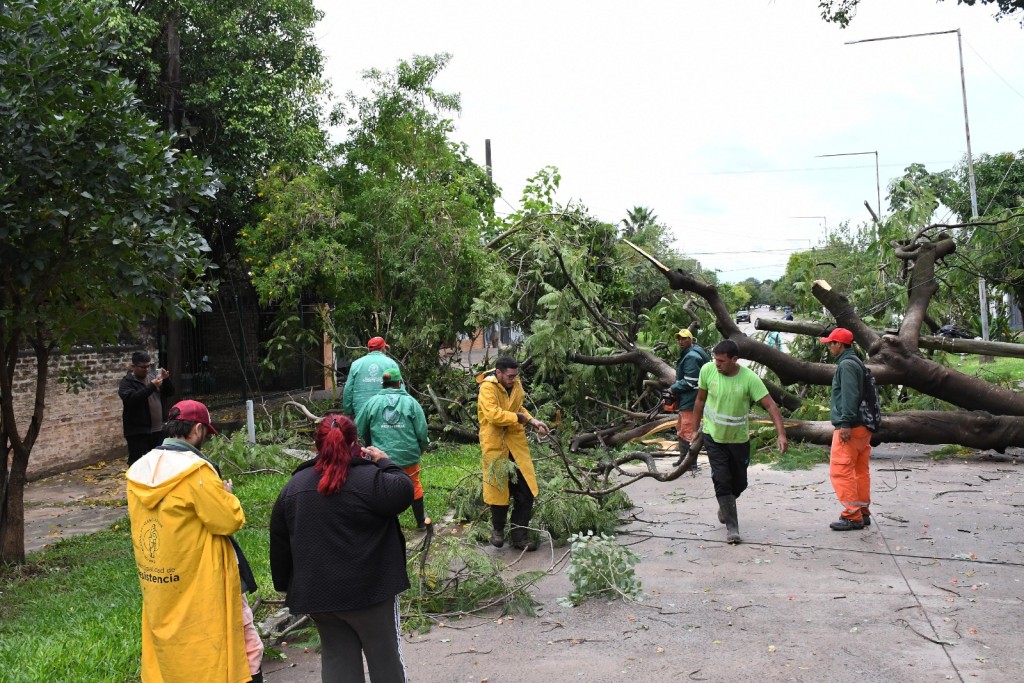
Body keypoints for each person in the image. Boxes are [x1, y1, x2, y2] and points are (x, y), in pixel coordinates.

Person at [127, 400, 263, 683]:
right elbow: (228, 520)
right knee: (236, 647)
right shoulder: (197, 472)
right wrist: (226, 494)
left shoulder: (138, 470)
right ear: (198, 429)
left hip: (160, 581)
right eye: (207, 435)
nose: (207, 441)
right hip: (202, 580)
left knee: (172, 648)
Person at [270, 413, 413, 683]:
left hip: (320, 596)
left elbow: (279, 541)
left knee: (338, 662)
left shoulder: (294, 487)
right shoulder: (371, 480)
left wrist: (285, 585)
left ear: (316, 446)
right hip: (371, 593)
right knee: (386, 663)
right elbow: (404, 490)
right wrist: (385, 461)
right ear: (355, 443)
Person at [692, 339, 788, 544]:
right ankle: (732, 527)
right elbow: (700, 400)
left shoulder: (749, 379)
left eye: (722, 361)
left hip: (738, 440)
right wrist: (693, 429)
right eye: (715, 359)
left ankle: (725, 505)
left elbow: (770, 406)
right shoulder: (708, 371)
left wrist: (781, 434)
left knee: (740, 483)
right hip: (713, 437)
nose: (717, 364)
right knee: (722, 480)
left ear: (735, 360)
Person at [476, 357, 549, 551]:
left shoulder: (516, 385)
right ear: (498, 373)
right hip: (496, 445)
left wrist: (533, 421)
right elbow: (494, 415)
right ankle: (498, 530)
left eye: (516, 376)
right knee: (499, 491)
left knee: (526, 492)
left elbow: (519, 407)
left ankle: (520, 536)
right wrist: (519, 418)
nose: (513, 379)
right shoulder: (487, 388)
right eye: (510, 376)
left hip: (516, 446)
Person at [356, 369, 431, 531]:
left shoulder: (372, 403)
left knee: (383, 488)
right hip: (408, 457)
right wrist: (420, 449)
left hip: (381, 460)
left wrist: (368, 447)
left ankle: (387, 526)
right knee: (414, 485)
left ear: (383, 384)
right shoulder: (411, 403)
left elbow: (359, 428)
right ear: (399, 383)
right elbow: (422, 432)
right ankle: (421, 522)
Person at [821, 328, 872, 531]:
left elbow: (850, 396)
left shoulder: (847, 365)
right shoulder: (856, 362)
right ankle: (863, 512)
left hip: (851, 426)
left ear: (839, 345)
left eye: (830, 343)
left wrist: (845, 423)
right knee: (859, 471)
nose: (829, 347)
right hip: (862, 426)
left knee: (841, 470)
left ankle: (852, 515)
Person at [119, 350, 173, 466]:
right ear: (133, 366)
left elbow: (170, 392)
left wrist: (166, 379)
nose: (147, 370)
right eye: (143, 367)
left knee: (159, 463)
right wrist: (152, 386)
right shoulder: (127, 382)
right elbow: (133, 399)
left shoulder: (154, 377)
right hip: (138, 432)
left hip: (158, 430)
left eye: (149, 366)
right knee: (138, 463)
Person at [669, 328, 711, 467]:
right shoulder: (694, 352)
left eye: (684, 338)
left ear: (691, 339)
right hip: (689, 398)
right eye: (679, 339)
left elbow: (690, 381)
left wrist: (673, 387)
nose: (681, 341)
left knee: (687, 429)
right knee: (681, 427)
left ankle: (690, 462)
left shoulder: (691, 357)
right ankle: (683, 459)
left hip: (691, 399)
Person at [343, 336, 400, 420]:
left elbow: (348, 390)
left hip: (361, 412)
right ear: (383, 348)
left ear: (368, 349)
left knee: (361, 432)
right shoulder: (391, 364)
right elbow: (400, 388)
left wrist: (348, 411)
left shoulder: (356, 364)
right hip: (385, 412)